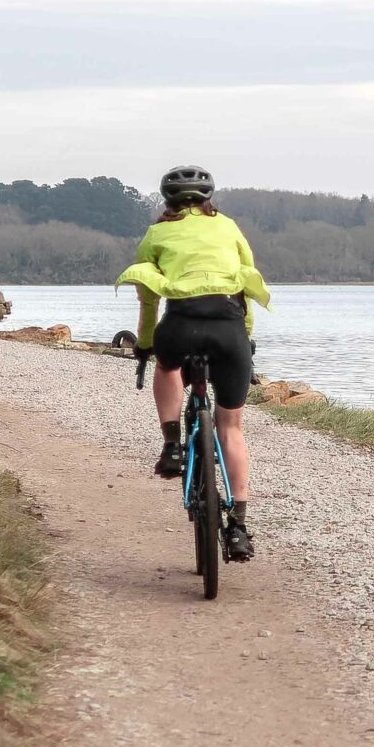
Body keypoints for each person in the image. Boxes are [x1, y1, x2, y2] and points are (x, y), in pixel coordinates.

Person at [117, 165, 271, 561]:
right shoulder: (229, 227)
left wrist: (146, 344)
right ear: (208, 199)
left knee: (168, 367)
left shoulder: (156, 234)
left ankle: (171, 446)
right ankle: (238, 526)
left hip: (181, 324)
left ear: (168, 201)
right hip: (229, 328)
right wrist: (246, 339)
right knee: (230, 427)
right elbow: (246, 285)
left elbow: (149, 297)